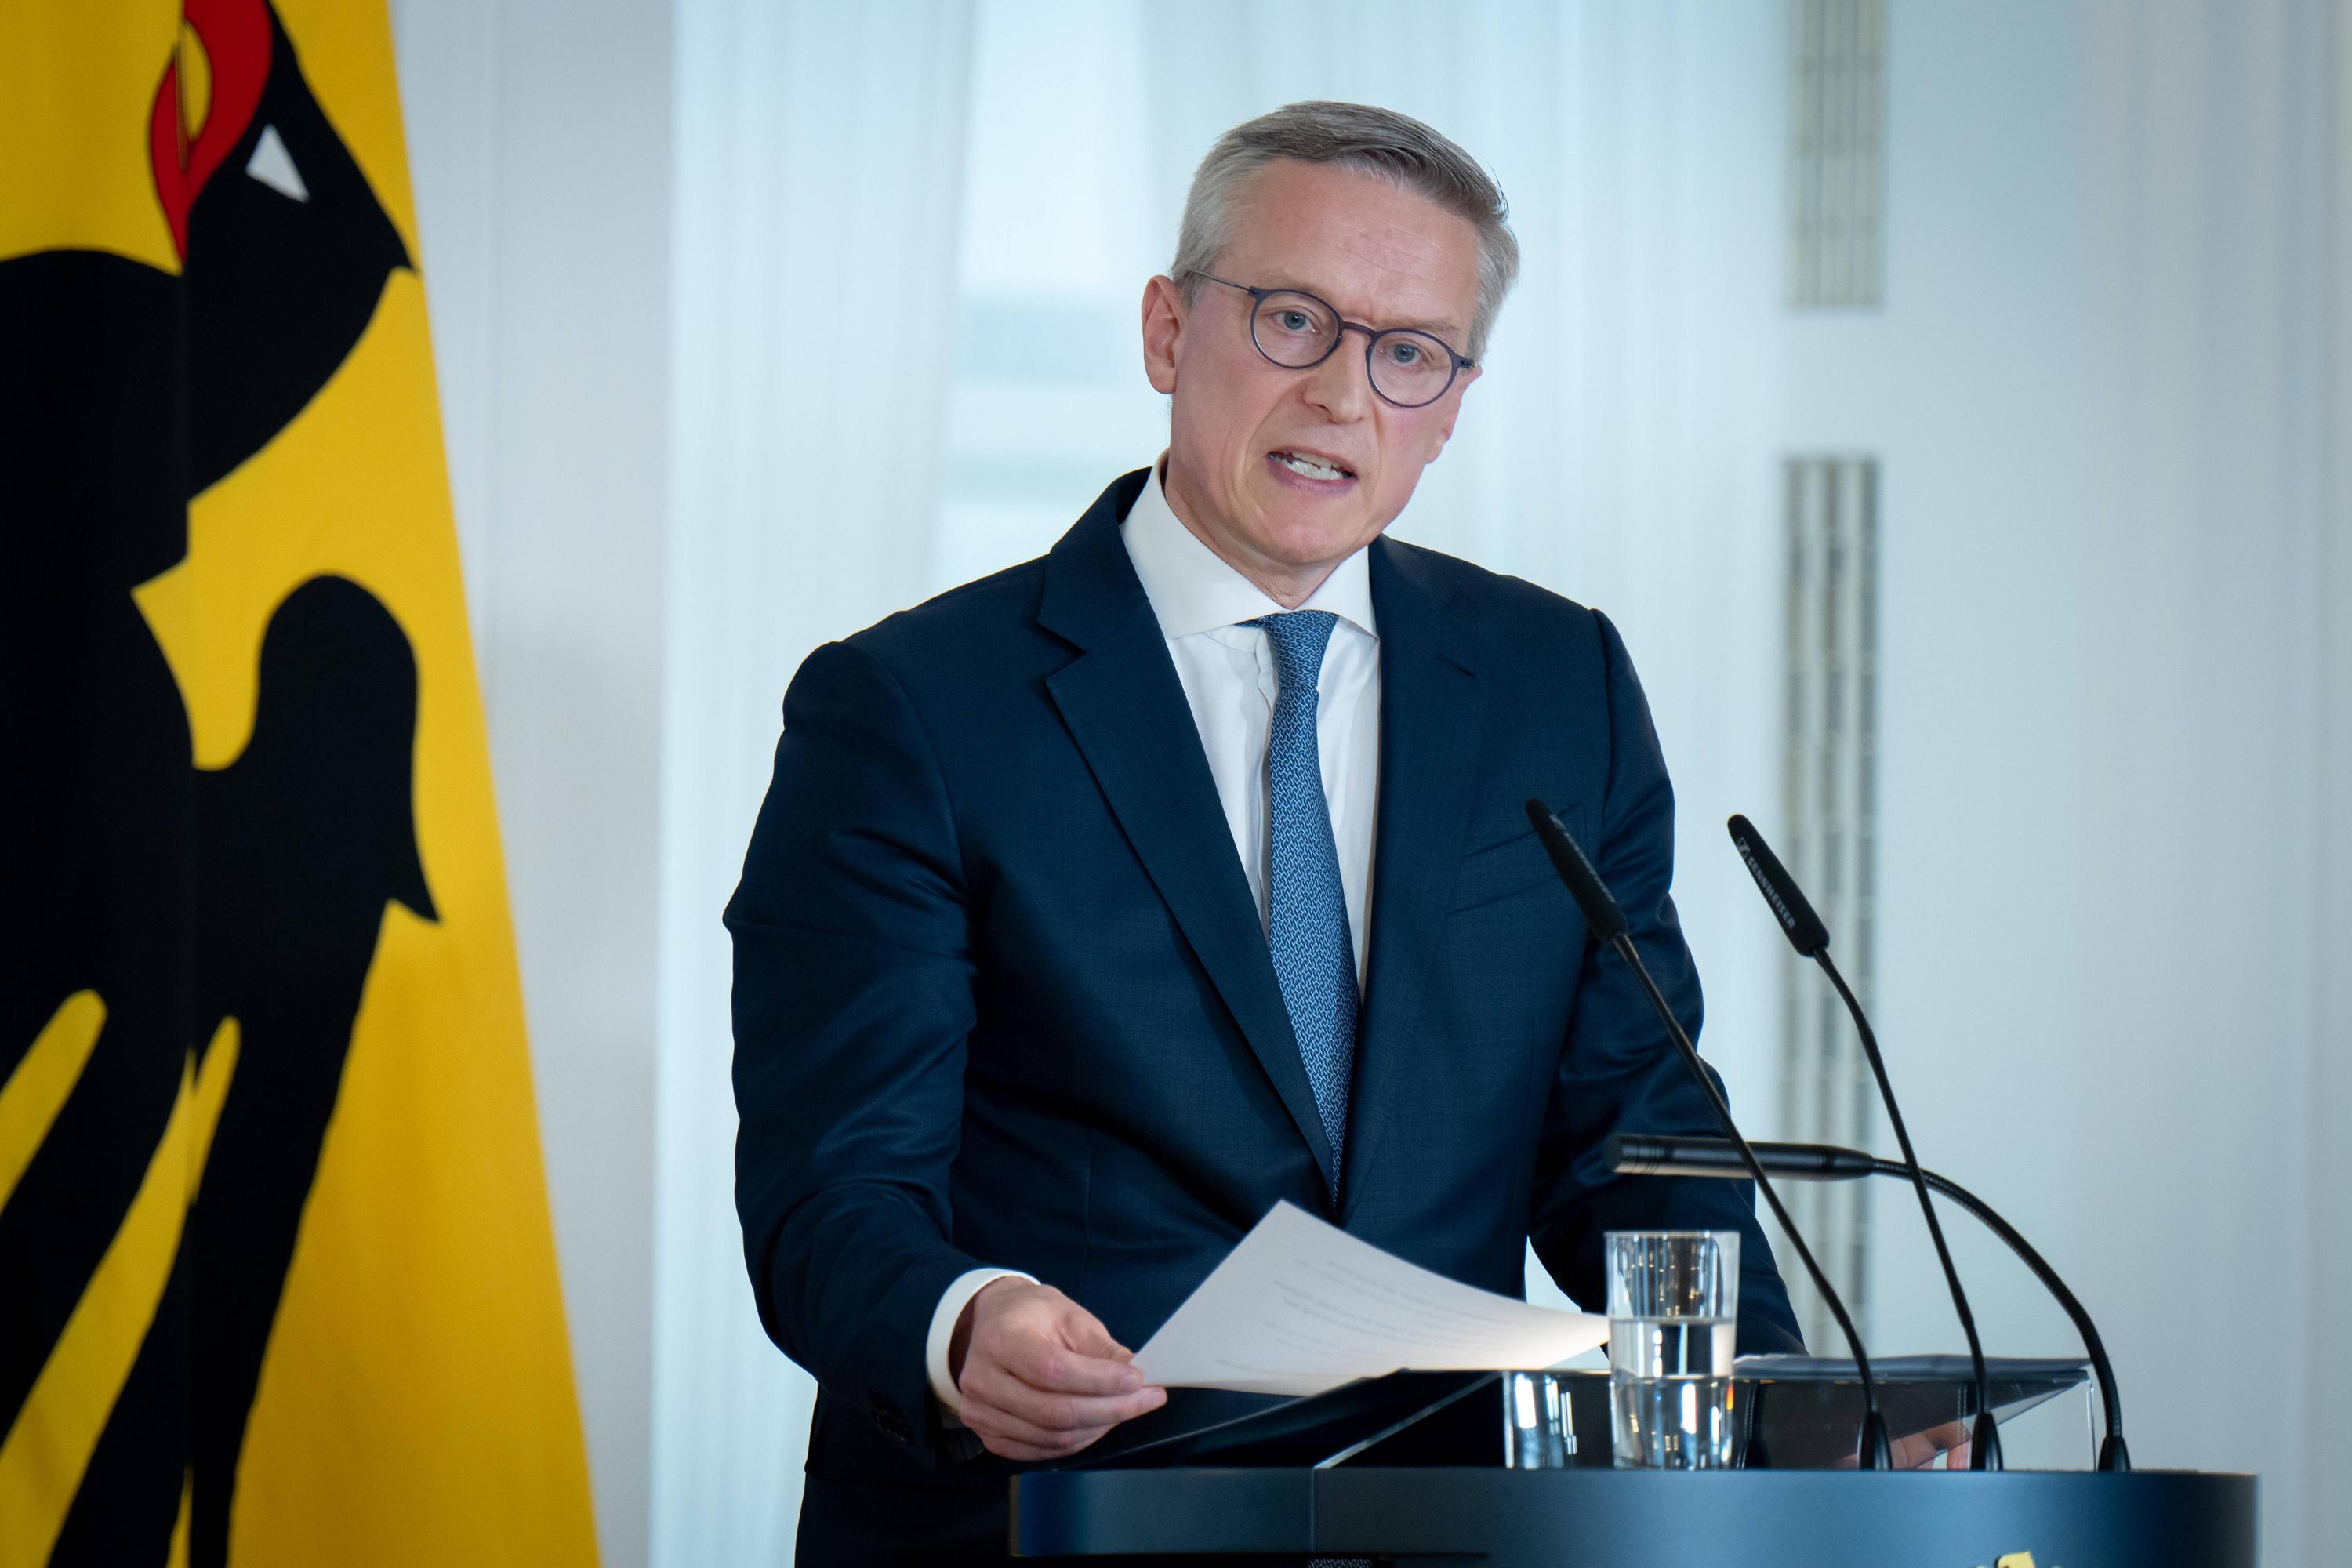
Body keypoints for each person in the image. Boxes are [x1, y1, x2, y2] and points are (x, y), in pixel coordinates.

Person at [728, 100, 1804, 1564]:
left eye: (1409, 352)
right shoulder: (913, 709)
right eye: (1293, 320)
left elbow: (1637, 1141)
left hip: (1445, 1527)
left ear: (1452, 404)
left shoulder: (1562, 686)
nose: (1344, 394)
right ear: (1169, 333)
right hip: (1058, 1515)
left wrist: (1796, 1413)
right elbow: (837, 1190)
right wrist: (964, 1321)